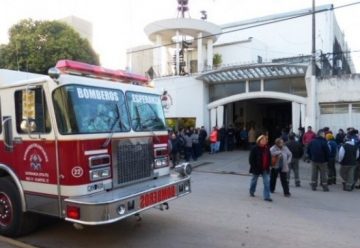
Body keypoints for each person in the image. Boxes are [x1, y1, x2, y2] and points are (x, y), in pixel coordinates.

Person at [248, 135, 272, 202]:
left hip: (265, 168)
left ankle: (267, 196)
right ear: (259, 140)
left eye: (265, 140)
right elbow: (251, 160)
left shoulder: (267, 148)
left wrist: (269, 165)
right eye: (262, 140)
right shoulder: (254, 148)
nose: (264, 141)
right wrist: (254, 167)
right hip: (256, 168)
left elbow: (269, 158)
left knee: (267, 182)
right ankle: (252, 191)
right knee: (254, 181)